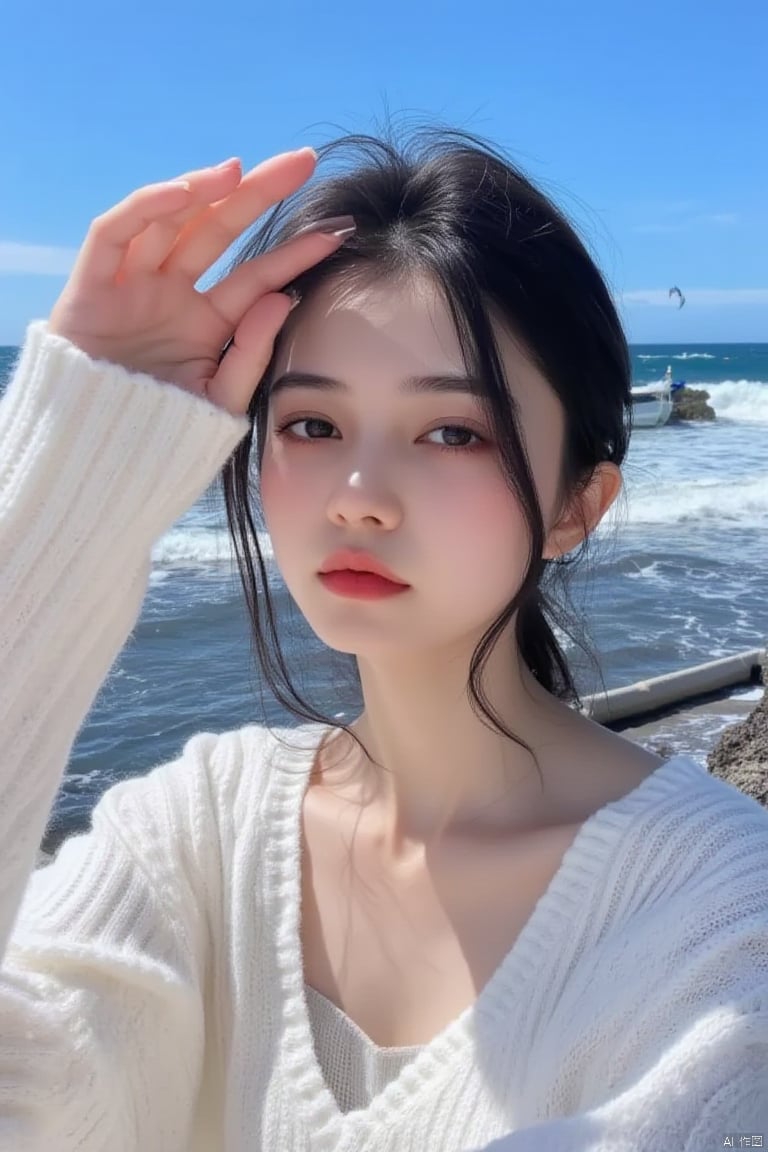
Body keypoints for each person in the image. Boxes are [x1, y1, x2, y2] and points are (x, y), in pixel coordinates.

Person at [0, 131, 766, 1152]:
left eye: (453, 431)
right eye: (310, 425)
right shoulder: (193, 837)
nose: (358, 501)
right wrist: (78, 459)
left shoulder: (718, 930)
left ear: (577, 505)